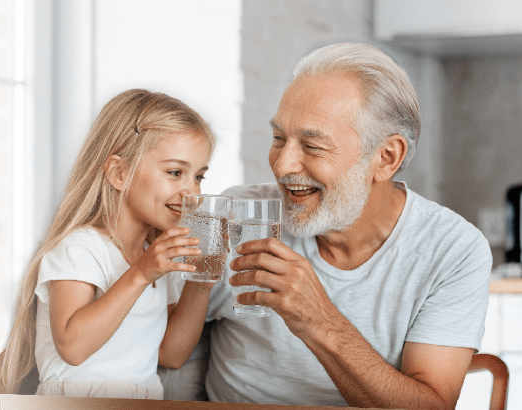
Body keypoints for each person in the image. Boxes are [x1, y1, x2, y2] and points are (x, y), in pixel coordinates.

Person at [194, 42, 491, 408]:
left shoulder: (454, 250)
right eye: (278, 139)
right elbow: (152, 342)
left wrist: (319, 320)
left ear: (386, 157)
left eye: (313, 147)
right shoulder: (232, 214)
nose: (283, 165)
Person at [0, 89, 218, 399]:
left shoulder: (155, 258)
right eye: (175, 172)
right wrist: (141, 274)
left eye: (199, 177)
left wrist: (201, 282)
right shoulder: (80, 247)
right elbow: (72, 347)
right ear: (118, 173)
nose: (192, 192)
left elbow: (170, 354)